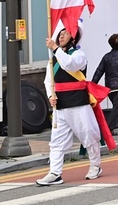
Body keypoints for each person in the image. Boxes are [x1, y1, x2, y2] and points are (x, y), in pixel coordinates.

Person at [36, 27, 113, 186]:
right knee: (56, 141)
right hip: (60, 106)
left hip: (79, 103)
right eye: (61, 33)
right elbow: (48, 81)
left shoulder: (79, 55)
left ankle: (95, 165)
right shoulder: (54, 59)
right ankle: (55, 172)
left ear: (74, 38)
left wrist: (55, 49)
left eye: (66, 33)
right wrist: (51, 96)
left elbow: (70, 65)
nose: (62, 35)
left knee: (88, 136)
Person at [91, 33, 118, 135]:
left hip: (110, 87)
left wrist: (93, 84)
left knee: (117, 106)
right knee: (117, 107)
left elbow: (99, 71)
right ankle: (109, 129)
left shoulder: (106, 57)